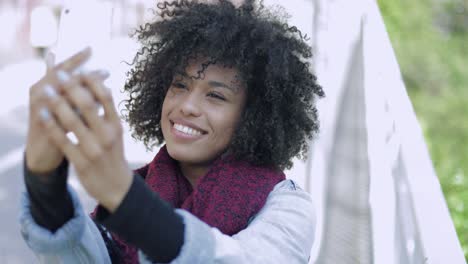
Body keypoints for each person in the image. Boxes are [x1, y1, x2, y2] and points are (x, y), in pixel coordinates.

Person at [20, 0, 324, 263]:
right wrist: (44, 180)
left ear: (254, 116)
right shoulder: (142, 187)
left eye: (216, 96)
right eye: (179, 85)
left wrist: (130, 203)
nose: (187, 105)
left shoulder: (288, 208)